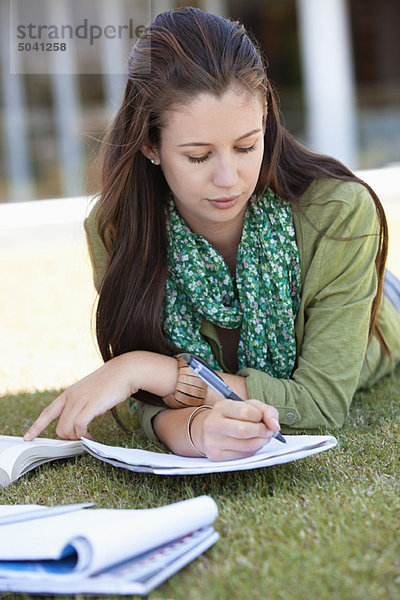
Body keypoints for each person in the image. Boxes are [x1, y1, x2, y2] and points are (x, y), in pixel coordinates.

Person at [24, 7, 400, 460]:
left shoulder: (338, 212)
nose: (229, 178)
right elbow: (154, 405)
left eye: (246, 146)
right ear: (150, 145)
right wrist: (198, 430)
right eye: (199, 156)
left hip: (381, 299)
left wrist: (149, 369)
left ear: (266, 123)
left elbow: (319, 402)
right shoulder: (114, 228)